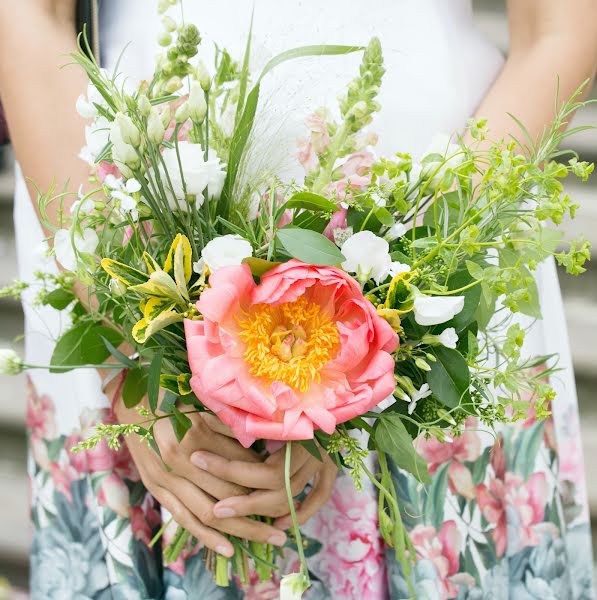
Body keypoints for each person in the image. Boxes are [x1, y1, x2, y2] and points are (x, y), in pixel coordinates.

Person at [0, 1, 595, 598]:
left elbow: (560, 29)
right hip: (128, 224)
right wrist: (140, 350)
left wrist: (385, 330)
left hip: (440, 226)